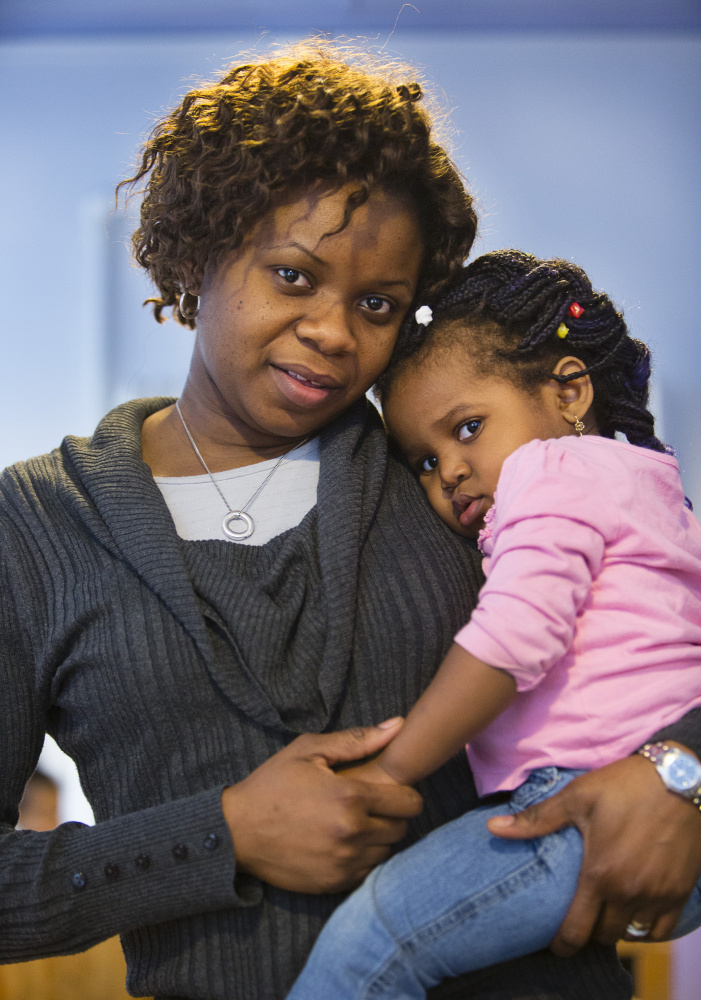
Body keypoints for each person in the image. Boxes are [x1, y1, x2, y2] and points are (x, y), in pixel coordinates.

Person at [1, 41, 700, 1000]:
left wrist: (680, 772)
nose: (334, 331)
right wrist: (225, 833)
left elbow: (657, 623)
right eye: (292, 275)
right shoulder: (34, 529)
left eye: (377, 302)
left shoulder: (458, 468)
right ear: (200, 250)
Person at [285, 249, 701, 999]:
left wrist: (389, 769)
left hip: (587, 800)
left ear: (569, 390)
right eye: (422, 460)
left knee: (373, 939)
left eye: (468, 427)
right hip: (664, 811)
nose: (447, 470)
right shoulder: (655, 493)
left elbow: (514, 639)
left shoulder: (552, 473)